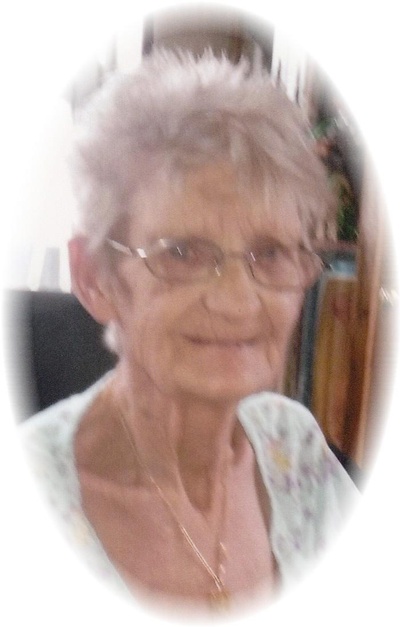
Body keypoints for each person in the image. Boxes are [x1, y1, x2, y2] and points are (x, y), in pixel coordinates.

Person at [21, 49, 357, 614]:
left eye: (271, 252)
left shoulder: (294, 448)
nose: (238, 301)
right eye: (181, 253)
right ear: (96, 278)